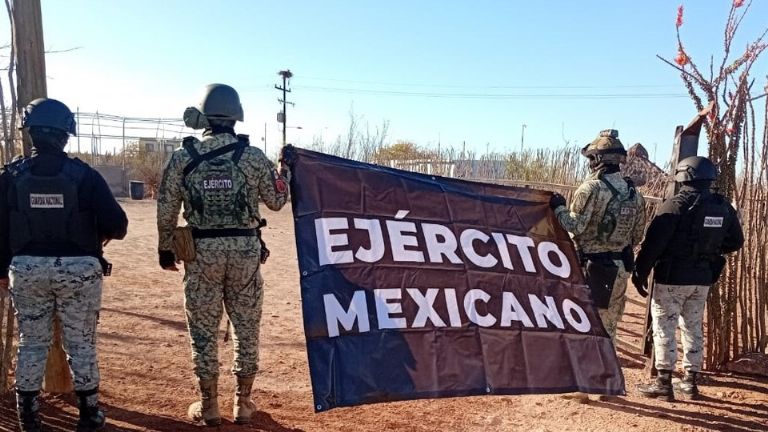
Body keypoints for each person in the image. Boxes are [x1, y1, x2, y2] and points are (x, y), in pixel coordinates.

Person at [157, 83, 292, 426]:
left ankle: (209, 406)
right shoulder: (252, 157)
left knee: (203, 331)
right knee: (246, 329)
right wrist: (285, 171)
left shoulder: (182, 157)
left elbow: (166, 208)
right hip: (245, 253)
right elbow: (277, 201)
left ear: (203, 117)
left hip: (200, 254)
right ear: (236, 116)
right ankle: (243, 404)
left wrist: (165, 249)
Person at [0, 98, 128, 432]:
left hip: (26, 270)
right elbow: (118, 223)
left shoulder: (10, 176)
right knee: (81, 342)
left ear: (29, 133)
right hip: (78, 271)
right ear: (65, 134)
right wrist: (95, 238)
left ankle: (28, 418)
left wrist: (2, 270)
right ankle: (89, 415)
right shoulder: (84, 175)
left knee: (32, 342)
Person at [634, 156, 743, 401]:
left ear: (684, 175)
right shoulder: (723, 206)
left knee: (665, 327)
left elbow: (653, 246)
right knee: (693, 327)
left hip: (672, 278)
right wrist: (709, 249)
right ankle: (690, 383)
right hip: (702, 279)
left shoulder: (674, 206)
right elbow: (736, 241)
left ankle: (663, 383)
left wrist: (640, 273)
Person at [550, 129, 646, 340]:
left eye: (592, 158)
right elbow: (637, 236)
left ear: (598, 159)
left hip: (589, 269)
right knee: (608, 330)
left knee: (580, 326)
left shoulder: (590, 188)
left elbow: (575, 225)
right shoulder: (634, 194)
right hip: (619, 269)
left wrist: (558, 208)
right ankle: (606, 370)